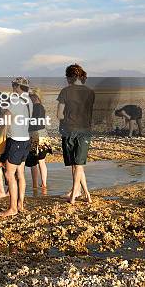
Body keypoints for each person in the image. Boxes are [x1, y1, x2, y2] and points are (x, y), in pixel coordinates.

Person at [57, 64, 94, 205]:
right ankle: (87, 195)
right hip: (85, 130)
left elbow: (59, 114)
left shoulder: (65, 92)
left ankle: (73, 196)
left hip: (68, 129)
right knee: (79, 165)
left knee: (75, 165)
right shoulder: (90, 92)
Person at [0, 77, 33, 217]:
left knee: (9, 174)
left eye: (13, 85)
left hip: (16, 141)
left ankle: (12, 208)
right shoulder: (28, 101)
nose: (12, 87)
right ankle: (20, 204)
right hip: (26, 140)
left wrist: (3, 112)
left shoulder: (15, 100)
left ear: (18, 86)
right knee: (21, 174)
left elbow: (7, 117)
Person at [25, 88, 52, 189]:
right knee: (41, 161)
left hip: (34, 135)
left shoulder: (34, 107)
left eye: (31, 96)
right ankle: (43, 184)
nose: (30, 98)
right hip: (42, 134)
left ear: (35, 96)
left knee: (33, 162)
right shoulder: (41, 107)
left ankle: (35, 185)